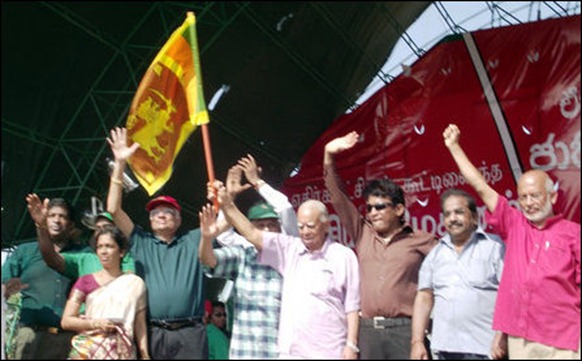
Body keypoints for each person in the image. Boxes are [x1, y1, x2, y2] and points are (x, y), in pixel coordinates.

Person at [443, 123, 580, 359]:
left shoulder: (573, 233)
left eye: (535, 195)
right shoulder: (515, 225)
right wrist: (454, 147)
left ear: (553, 196)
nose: (528, 203)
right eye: (523, 197)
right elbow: (481, 186)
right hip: (521, 339)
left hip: (563, 341)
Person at [209, 179, 360, 359]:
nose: (305, 232)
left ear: (326, 225)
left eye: (310, 226)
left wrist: (351, 344)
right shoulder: (290, 250)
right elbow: (250, 233)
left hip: (330, 350)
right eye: (301, 226)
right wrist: (227, 202)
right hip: (291, 353)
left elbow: (352, 305)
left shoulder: (343, 256)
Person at [324, 131, 439, 359]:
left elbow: (449, 270)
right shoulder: (362, 233)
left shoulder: (421, 240)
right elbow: (338, 197)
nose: (373, 213)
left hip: (405, 331)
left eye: (380, 207)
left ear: (398, 209)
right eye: (369, 208)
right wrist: (328, 154)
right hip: (368, 332)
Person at [106, 126, 207, 359]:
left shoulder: (193, 239)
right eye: (155, 213)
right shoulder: (140, 241)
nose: (161, 215)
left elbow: (222, 224)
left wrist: (226, 199)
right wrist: (120, 164)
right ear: (149, 221)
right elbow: (113, 209)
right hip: (153, 332)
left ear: (179, 220)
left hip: (191, 334)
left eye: (168, 212)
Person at [200, 160, 297, 359]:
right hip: (245, 351)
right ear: (249, 228)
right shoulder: (243, 253)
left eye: (273, 224)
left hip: (282, 352)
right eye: (261, 225)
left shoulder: (290, 253)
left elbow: (285, 209)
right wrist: (230, 198)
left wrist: (257, 182)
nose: (268, 230)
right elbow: (213, 251)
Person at [410, 188, 507, 360]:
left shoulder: (494, 247)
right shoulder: (436, 254)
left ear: (475, 217)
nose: (453, 218)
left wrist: (502, 334)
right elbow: (424, 297)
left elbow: (508, 295)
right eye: (447, 214)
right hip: (446, 350)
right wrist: (417, 341)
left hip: (486, 349)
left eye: (459, 212)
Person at [1, 196, 83, 359]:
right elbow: (3, 283)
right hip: (29, 334)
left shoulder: (83, 254)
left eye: (62, 216)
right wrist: (7, 289)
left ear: (71, 225)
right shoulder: (25, 251)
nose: (56, 220)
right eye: (51, 216)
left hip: (65, 339)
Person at [61, 225, 149, 359]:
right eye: (99, 247)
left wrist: (144, 354)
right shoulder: (85, 282)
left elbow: (139, 323)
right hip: (90, 351)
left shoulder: (135, 283)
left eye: (109, 246)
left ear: (122, 252)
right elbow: (66, 321)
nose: (103, 251)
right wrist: (96, 323)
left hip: (122, 351)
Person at [30, 199, 135, 280]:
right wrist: (41, 227)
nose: (102, 232)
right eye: (97, 228)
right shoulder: (85, 259)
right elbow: (52, 259)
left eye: (107, 227)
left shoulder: (130, 259)